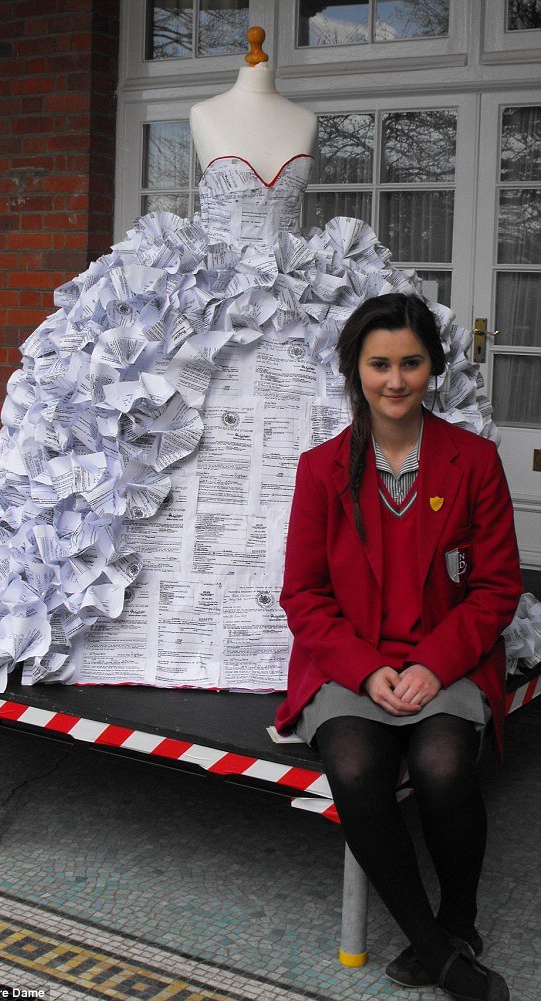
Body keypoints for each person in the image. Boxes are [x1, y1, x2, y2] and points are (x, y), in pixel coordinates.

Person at [276, 292, 522, 1001]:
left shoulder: (472, 461)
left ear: (432, 367)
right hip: (351, 662)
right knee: (355, 767)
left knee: (444, 764)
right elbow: (304, 597)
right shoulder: (321, 469)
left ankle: (458, 917)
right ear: (355, 370)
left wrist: (431, 665)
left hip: (447, 656)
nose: (394, 379)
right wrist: (367, 668)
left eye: (410, 363)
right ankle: (438, 951)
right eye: (378, 363)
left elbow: (497, 587)